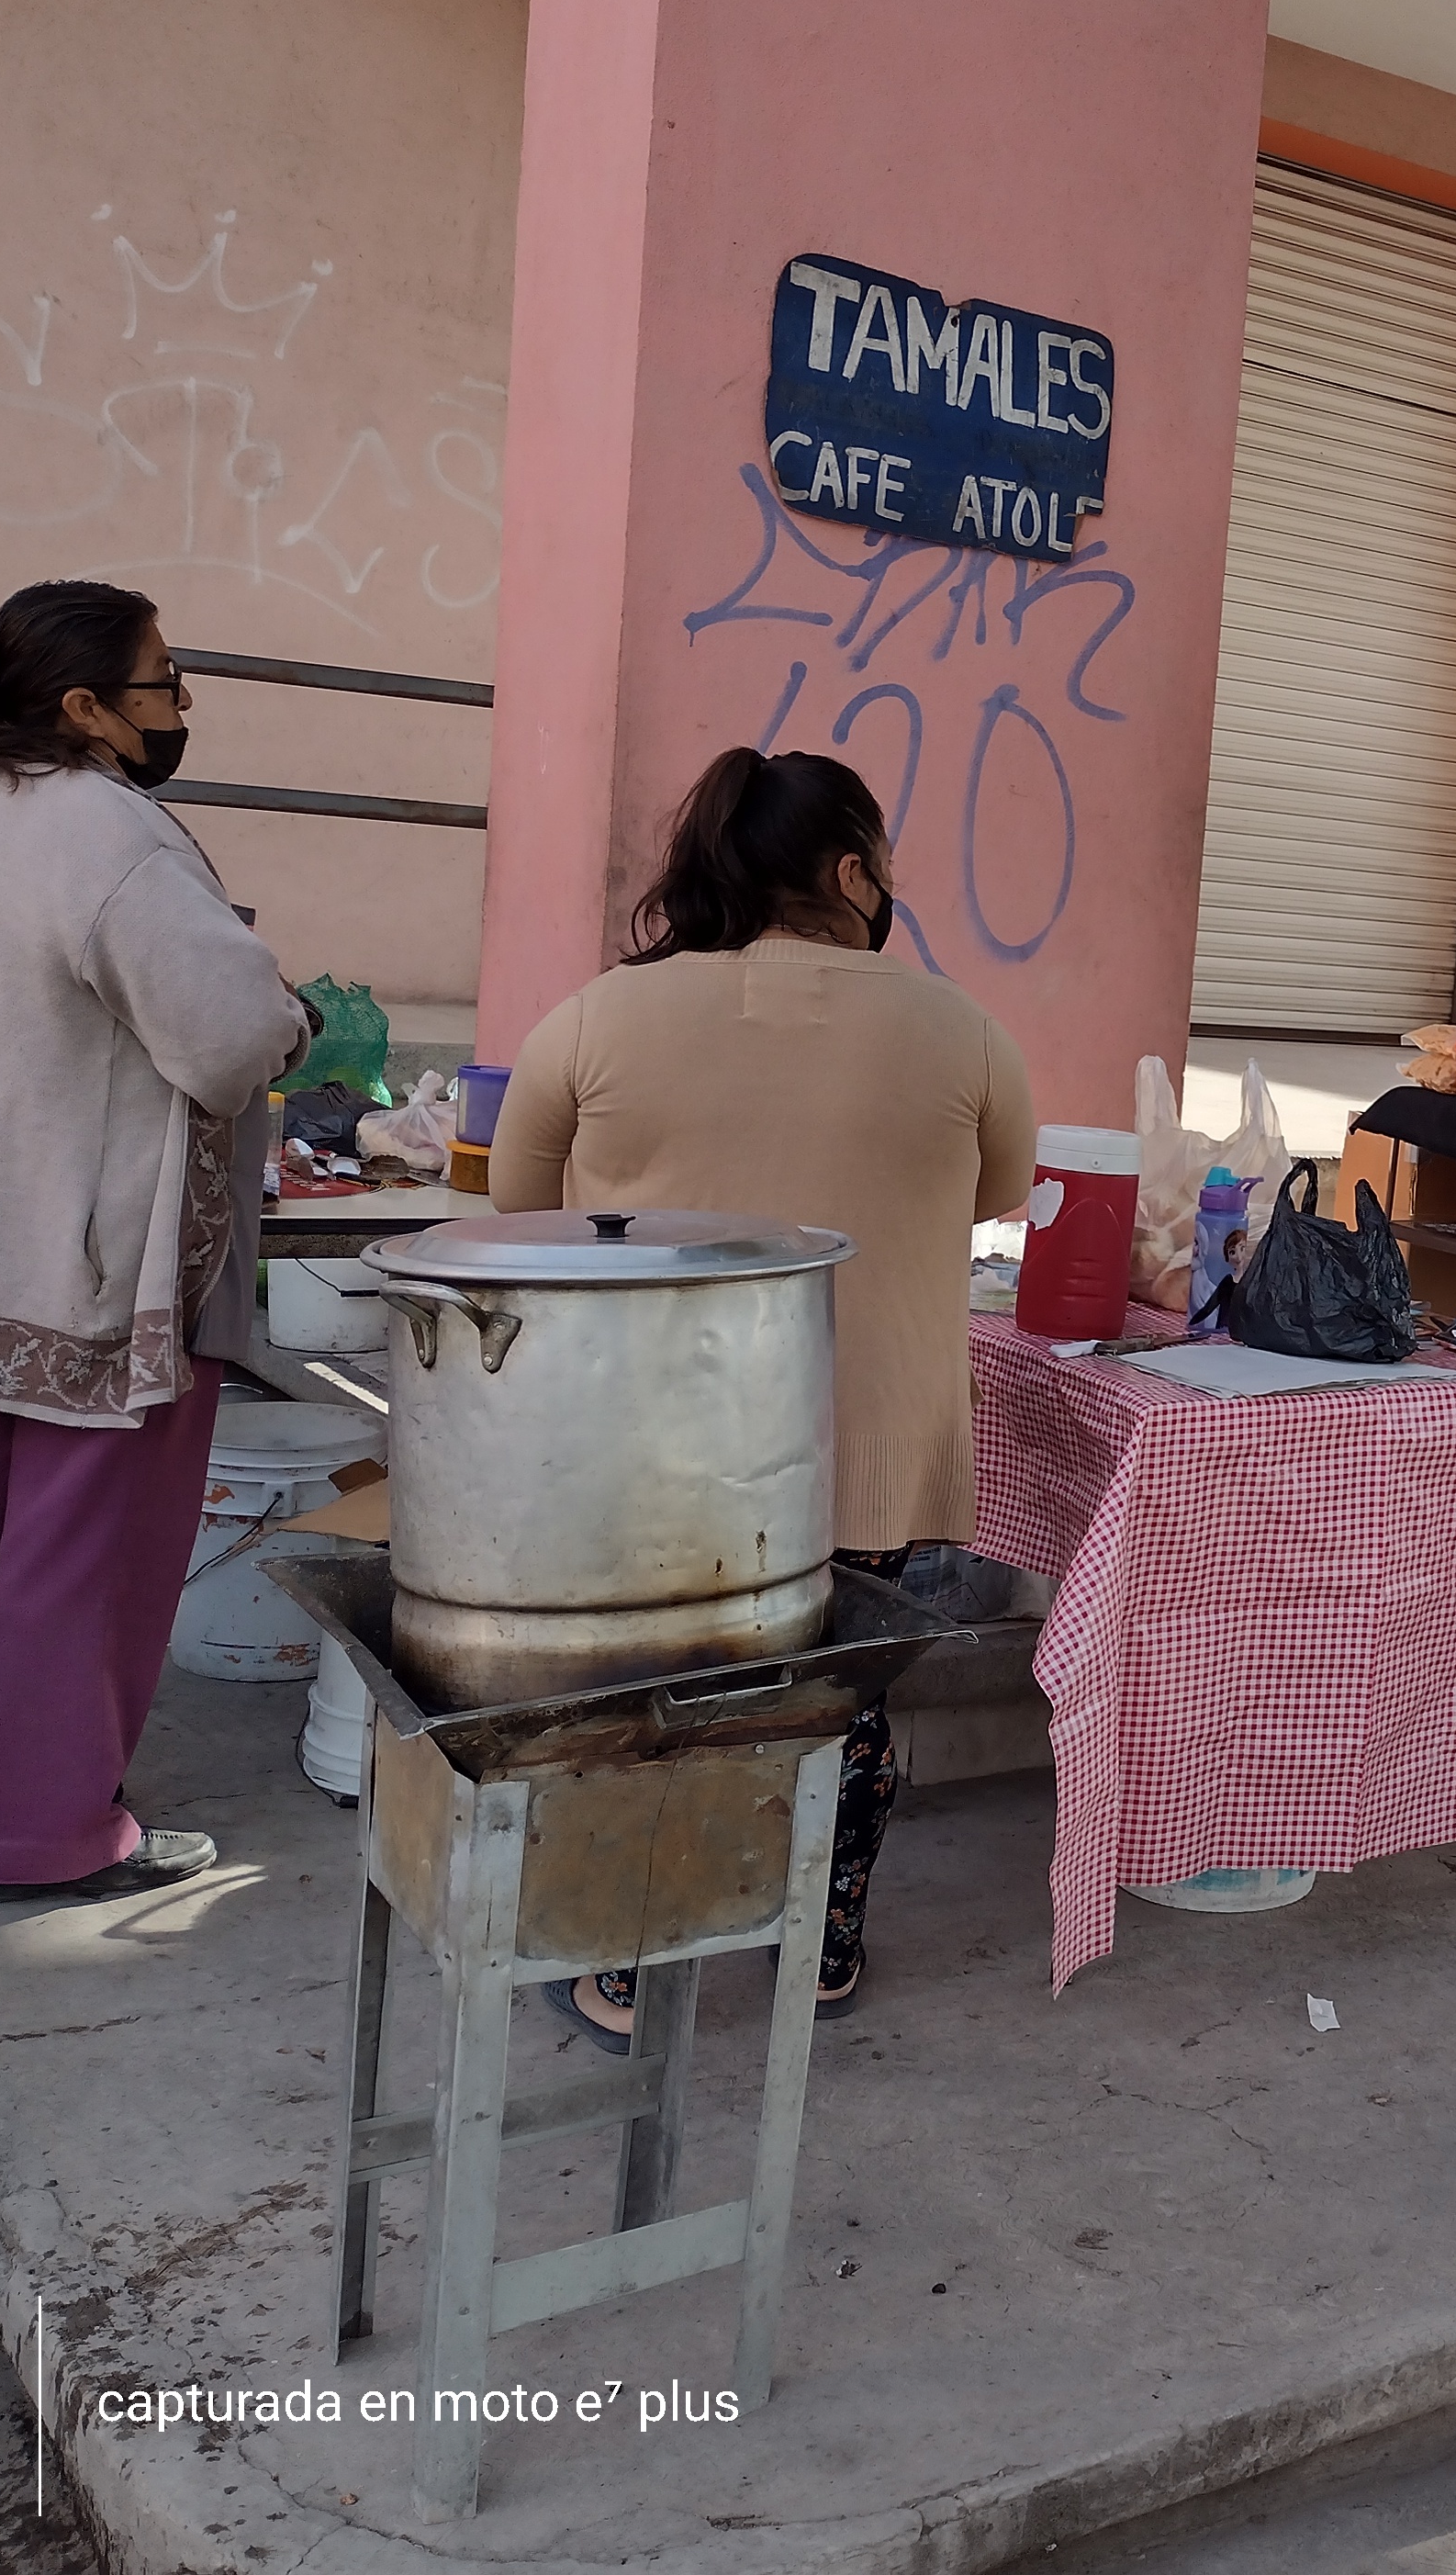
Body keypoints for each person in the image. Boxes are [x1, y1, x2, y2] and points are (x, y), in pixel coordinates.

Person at [493, 748, 1033, 2036]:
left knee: (655, 1697)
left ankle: (625, 1965)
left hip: (654, 1442)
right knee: (841, 1697)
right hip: (869, 1446)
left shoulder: (596, 1018)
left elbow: (518, 1201)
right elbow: (1000, 1195)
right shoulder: (959, 1028)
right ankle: (822, 1949)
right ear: (852, 872)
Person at [0, 581, 308, 1898]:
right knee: (87, 1556)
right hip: (98, 1258)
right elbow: (231, 1034)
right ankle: (57, 1832)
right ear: (84, 706)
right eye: (165, 680)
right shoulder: (105, 829)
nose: (180, 705)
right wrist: (287, 1013)